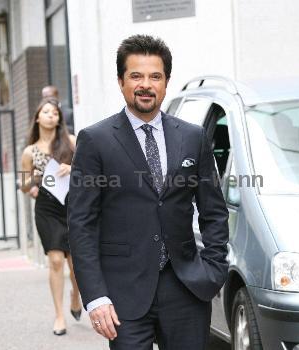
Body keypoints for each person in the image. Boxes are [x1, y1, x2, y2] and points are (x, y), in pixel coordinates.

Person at [68, 35, 229, 349]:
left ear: (166, 82)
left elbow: (214, 211)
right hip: (122, 294)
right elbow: (81, 224)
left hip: (188, 288)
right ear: (121, 81)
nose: (146, 84)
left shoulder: (192, 137)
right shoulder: (95, 140)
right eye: (136, 76)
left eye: (155, 76)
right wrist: (96, 296)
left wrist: (214, 269)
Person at [20, 98, 82, 336]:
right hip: (47, 208)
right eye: (45, 112)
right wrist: (35, 178)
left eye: (55, 112)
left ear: (59, 119)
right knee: (56, 260)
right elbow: (24, 185)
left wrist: (72, 168)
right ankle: (59, 315)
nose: (50, 115)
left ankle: (76, 295)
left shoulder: (72, 141)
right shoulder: (30, 151)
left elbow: (91, 170)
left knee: (76, 264)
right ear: (37, 118)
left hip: (73, 206)